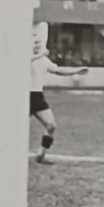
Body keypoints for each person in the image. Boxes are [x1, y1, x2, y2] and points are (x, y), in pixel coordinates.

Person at [30, 33, 88, 164]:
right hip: (23, 97)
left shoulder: (43, 60)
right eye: (35, 42)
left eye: (39, 42)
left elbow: (58, 70)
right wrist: (40, 54)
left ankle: (41, 155)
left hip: (37, 96)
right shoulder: (26, 57)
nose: (38, 45)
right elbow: (26, 60)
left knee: (51, 126)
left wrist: (76, 71)